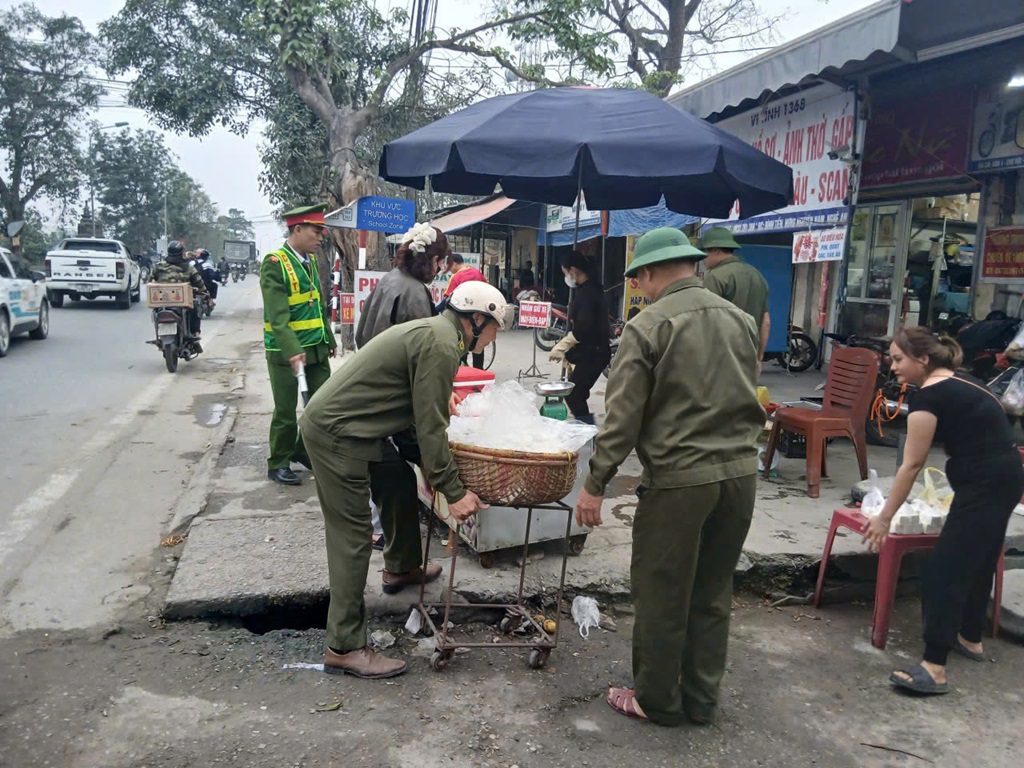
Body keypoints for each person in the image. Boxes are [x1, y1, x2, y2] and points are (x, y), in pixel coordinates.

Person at [574, 227, 764, 726]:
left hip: (682, 481)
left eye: (641, 279)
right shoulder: (741, 320)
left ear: (653, 271)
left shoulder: (650, 325)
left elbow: (621, 421)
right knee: (712, 591)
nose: (643, 288)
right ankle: (701, 699)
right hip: (741, 476)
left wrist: (594, 483)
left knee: (662, 593)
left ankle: (656, 700)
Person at [299, 282, 507, 679]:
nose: (497, 334)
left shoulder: (440, 334)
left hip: (360, 428)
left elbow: (414, 414)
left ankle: (401, 567)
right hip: (338, 433)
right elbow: (431, 427)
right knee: (353, 536)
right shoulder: (442, 344)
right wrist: (454, 491)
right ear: (476, 319)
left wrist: (424, 465)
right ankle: (344, 645)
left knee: (396, 477)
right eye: (496, 326)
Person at [863, 327, 1024, 696]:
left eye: (899, 359)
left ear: (923, 359)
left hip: (985, 484)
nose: (893, 366)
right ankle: (970, 639)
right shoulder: (963, 382)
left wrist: (884, 517)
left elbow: (911, 465)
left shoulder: (929, 398)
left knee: (944, 570)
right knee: (980, 559)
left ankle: (934, 667)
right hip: (1005, 476)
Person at [356, 223, 449, 550]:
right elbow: (421, 359)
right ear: (432, 260)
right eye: (440, 261)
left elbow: (360, 333)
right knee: (392, 469)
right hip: (389, 391)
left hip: (368, 381)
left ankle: (380, 529)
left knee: (381, 465)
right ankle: (381, 531)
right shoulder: (414, 293)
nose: (440, 269)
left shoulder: (389, 280)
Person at [260, 203, 337, 486]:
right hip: (285, 351)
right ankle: (278, 461)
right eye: (316, 232)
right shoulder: (274, 264)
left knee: (322, 406)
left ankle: (302, 451)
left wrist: (328, 337)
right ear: (298, 229)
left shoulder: (310, 261)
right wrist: (293, 351)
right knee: (285, 410)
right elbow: (278, 317)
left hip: (315, 348)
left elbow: (316, 306)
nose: (320, 238)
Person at [355, 223, 445, 346]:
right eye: (441, 263)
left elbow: (362, 331)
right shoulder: (416, 294)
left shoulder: (389, 277)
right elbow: (422, 349)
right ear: (435, 261)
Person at [547, 252, 610, 424]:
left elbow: (584, 327)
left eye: (565, 273)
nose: (566, 277)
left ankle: (588, 433)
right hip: (592, 351)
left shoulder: (588, 293)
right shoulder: (587, 289)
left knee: (574, 394)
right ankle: (587, 431)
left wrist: (563, 345)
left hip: (596, 353)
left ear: (573, 270)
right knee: (577, 393)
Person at [699, 227, 771, 371]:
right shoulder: (757, 275)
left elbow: (705, 322)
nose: (703, 259)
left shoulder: (715, 277)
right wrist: (759, 358)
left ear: (716, 250)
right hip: (749, 357)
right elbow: (766, 322)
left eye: (704, 253)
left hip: (721, 358)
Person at [151, 240, 209, 342]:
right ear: (182, 253)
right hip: (181, 300)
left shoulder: (158, 266)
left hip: (162, 300)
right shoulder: (188, 267)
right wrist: (204, 291)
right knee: (195, 307)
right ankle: (195, 333)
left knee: (156, 311)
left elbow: (150, 281)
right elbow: (198, 282)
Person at [441, 252, 488, 369]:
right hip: (479, 317)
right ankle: (479, 372)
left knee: (462, 343)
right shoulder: (477, 273)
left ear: (455, 264)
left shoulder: (456, 277)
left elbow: (448, 299)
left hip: (463, 319)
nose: (450, 269)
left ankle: (463, 369)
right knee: (478, 344)